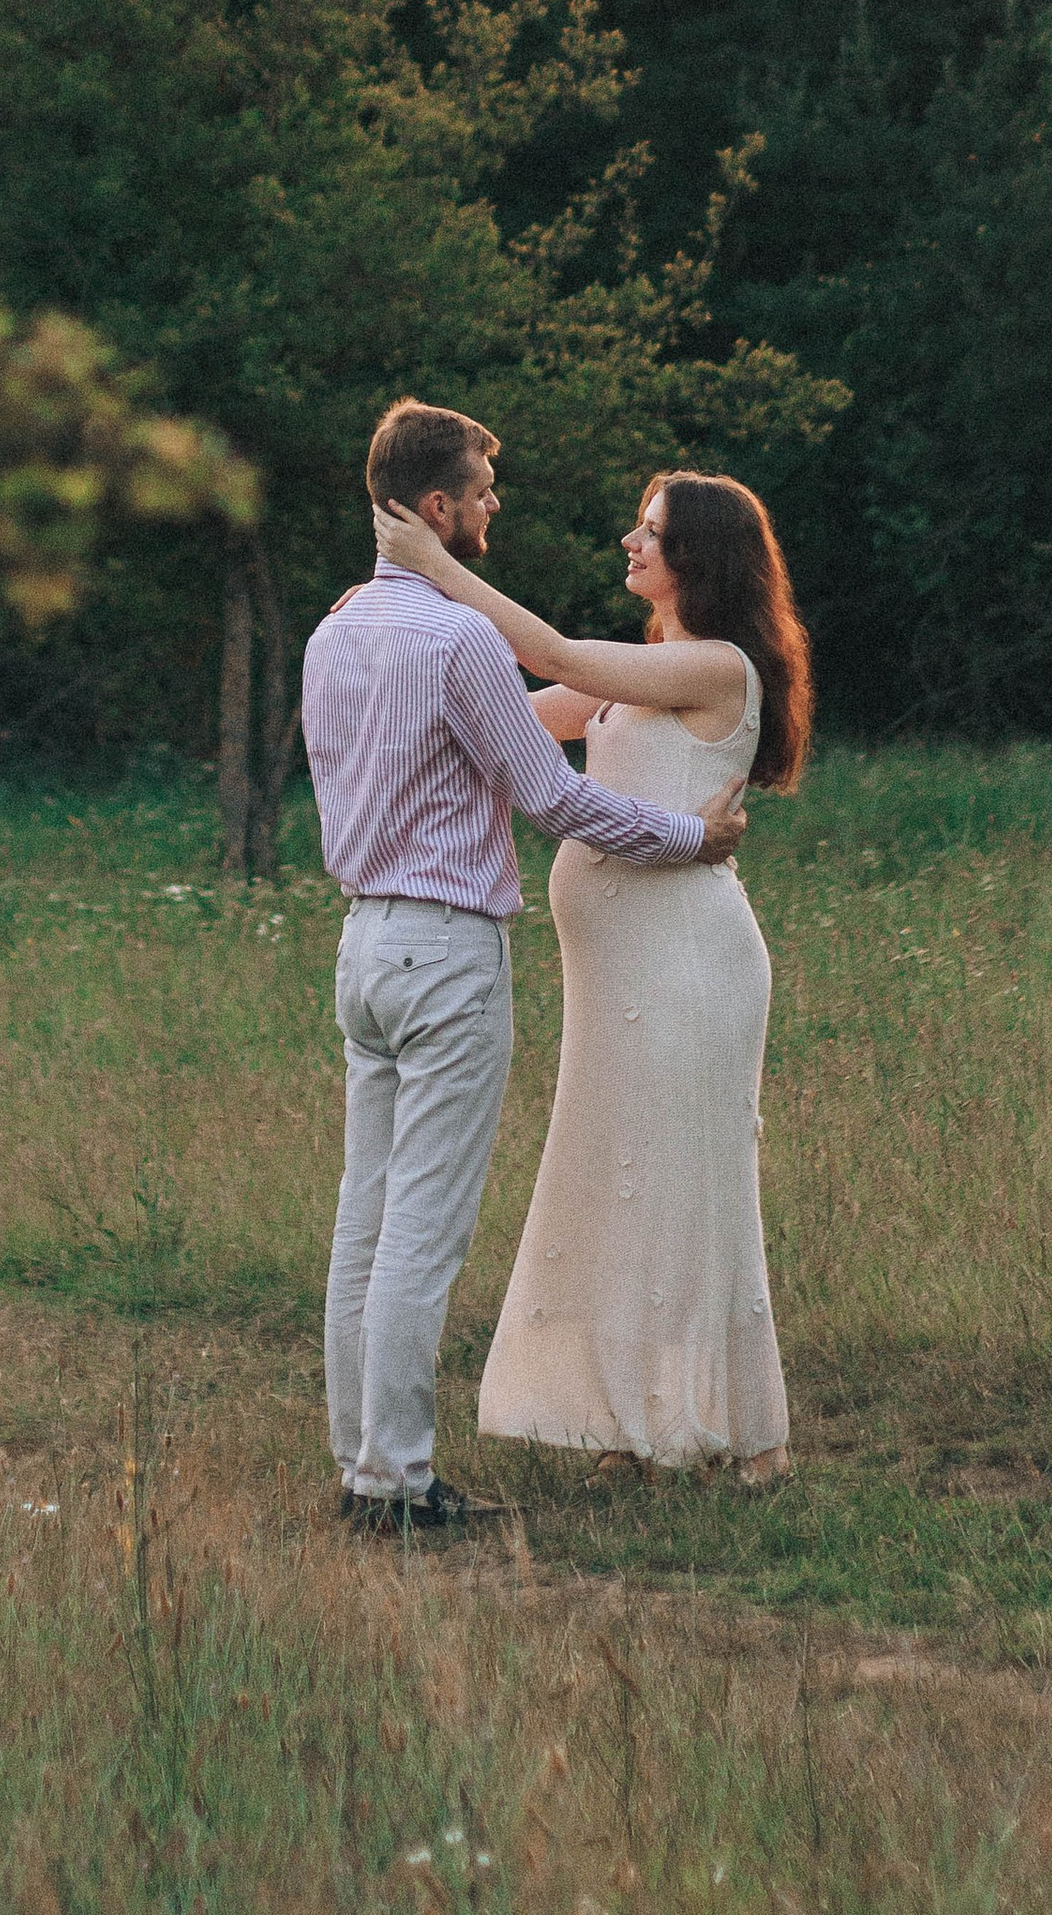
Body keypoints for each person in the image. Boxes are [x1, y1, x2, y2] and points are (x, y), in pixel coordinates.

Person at [303, 400, 747, 1538]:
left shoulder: (333, 630)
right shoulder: (456, 641)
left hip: (361, 945)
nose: (498, 507)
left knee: (364, 1218)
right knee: (419, 1228)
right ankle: (394, 1484)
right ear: (439, 508)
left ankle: (362, 1464)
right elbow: (551, 798)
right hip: (445, 953)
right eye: (484, 493)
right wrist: (688, 838)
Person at [374, 468, 811, 1480]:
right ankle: (635, 1416)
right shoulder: (650, 667)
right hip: (615, 976)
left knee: (680, 1185)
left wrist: (436, 567)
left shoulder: (719, 668)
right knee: (621, 1187)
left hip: (687, 964)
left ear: (696, 556)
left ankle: (739, 1434)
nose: (628, 542)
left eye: (648, 532)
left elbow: (557, 655)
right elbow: (518, 713)